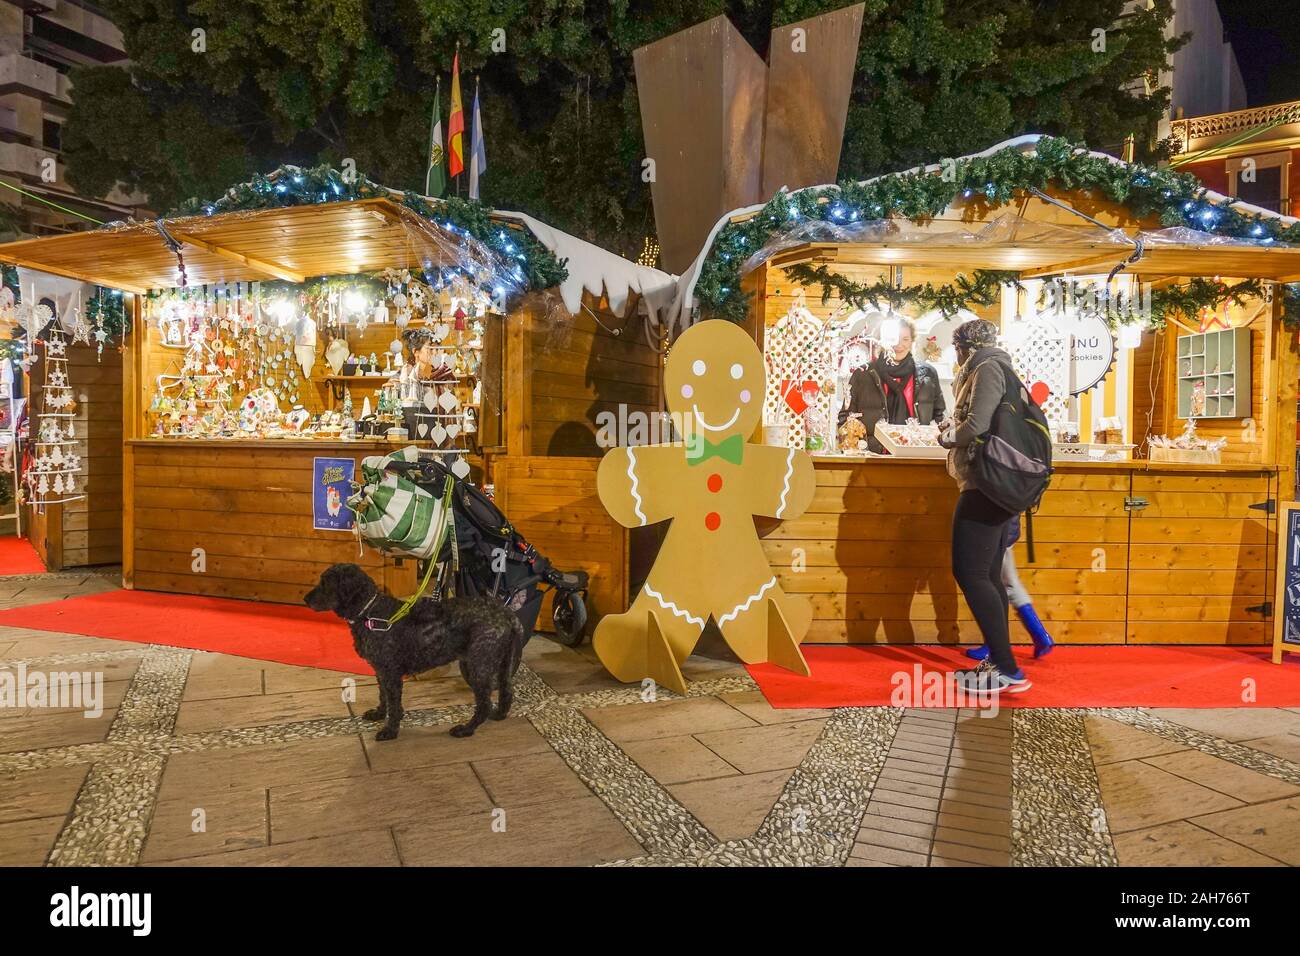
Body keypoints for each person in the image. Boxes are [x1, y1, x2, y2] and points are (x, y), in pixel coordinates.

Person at [937, 318, 1029, 694]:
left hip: (987, 483)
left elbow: (977, 424)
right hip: (989, 483)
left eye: (958, 347)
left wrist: (947, 436)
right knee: (988, 575)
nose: (956, 355)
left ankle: (1008, 669)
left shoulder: (989, 368)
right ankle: (1001, 663)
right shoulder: (991, 368)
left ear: (968, 346)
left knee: (970, 572)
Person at [838, 317, 945, 453]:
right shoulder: (863, 373)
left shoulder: (928, 373)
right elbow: (846, 417)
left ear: (912, 341)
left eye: (905, 339)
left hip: (916, 456)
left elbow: (940, 416)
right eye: (893, 339)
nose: (898, 344)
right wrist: (857, 446)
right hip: (872, 456)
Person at [966, 514, 1054, 660]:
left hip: (996, 529)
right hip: (1006, 528)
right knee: (1008, 583)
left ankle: (995, 644)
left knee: (994, 583)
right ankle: (1039, 635)